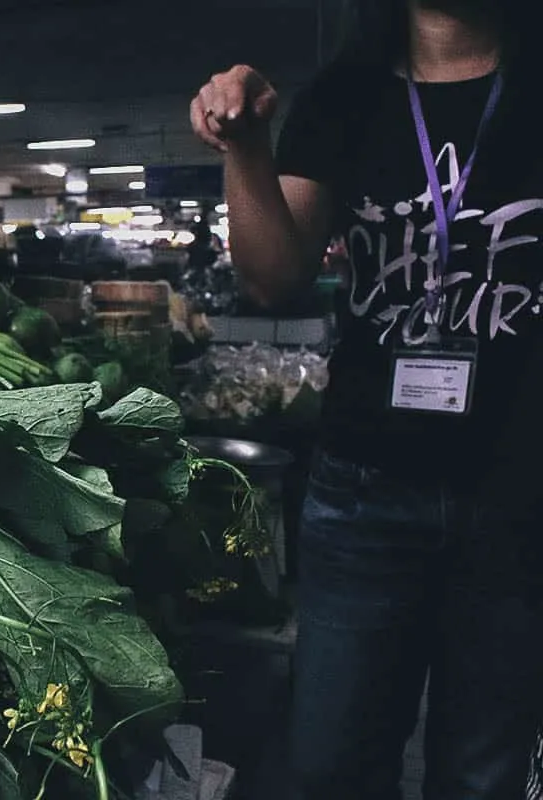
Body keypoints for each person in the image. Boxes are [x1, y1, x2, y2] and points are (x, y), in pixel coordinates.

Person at [189, 1, 543, 799]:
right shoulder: (345, 95)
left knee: (483, 777)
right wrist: (245, 147)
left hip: (520, 492)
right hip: (365, 490)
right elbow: (273, 277)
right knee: (331, 769)